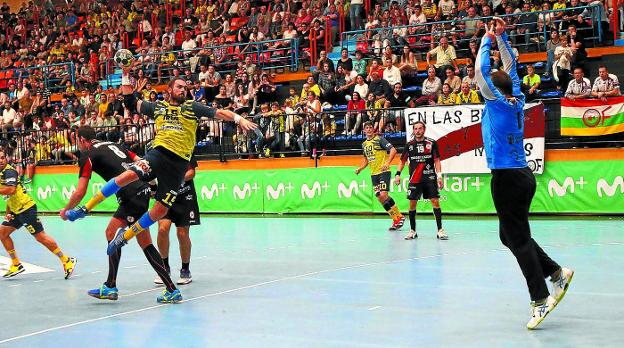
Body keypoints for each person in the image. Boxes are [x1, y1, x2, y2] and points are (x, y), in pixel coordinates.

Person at [65, 64, 257, 287]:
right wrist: (125, 73)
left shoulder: (192, 108)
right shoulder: (158, 108)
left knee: (159, 211)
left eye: (185, 87)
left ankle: (123, 239)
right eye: (179, 86)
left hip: (178, 166)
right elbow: (130, 101)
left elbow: (218, 113)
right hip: (159, 154)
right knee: (125, 177)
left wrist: (239, 119)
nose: (183, 89)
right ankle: (83, 210)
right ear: (169, 90)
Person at [475, 18, 573, 330]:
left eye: (490, 84)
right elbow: (511, 67)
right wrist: (502, 39)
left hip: (507, 179)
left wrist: (488, 38)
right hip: (520, 176)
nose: (484, 85)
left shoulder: (499, 104)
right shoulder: (514, 97)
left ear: (494, 90)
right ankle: (556, 272)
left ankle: (540, 299)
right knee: (510, 235)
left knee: (516, 240)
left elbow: (480, 71)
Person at [60, 126, 179, 303]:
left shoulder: (88, 154)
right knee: (144, 241)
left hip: (130, 193)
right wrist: (153, 186)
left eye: (77, 141)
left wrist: (66, 210)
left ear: (82, 140)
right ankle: (171, 289)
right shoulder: (116, 145)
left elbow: (80, 191)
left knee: (112, 233)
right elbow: (141, 162)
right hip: (141, 189)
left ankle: (110, 285)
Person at [1, 150, 76, 279]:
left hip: (26, 209)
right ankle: (16, 264)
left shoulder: (9, 172)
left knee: (41, 237)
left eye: (2, 157)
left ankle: (66, 260)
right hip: (16, 210)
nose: (1, 160)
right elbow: (9, 196)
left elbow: (11, 190)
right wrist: (8, 213)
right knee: (2, 233)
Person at [395, 121, 448, 240]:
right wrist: (398, 174)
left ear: (424, 130)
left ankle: (440, 230)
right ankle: (412, 231)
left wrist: (439, 176)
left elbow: (437, 160)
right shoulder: (409, 145)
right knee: (412, 204)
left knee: (435, 202)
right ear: (413, 131)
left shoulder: (431, 143)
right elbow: (402, 161)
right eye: (416, 129)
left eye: (420, 128)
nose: (418, 131)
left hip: (430, 178)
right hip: (415, 180)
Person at [155, 155, 199, 286]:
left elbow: (191, 172)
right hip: (165, 195)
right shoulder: (158, 150)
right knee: (162, 229)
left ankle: (185, 270)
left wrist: (177, 179)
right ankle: (164, 268)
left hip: (185, 196)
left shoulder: (185, 148)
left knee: (182, 233)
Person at [355, 121, 405, 230]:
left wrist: (387, 163)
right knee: (379, 198)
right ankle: (396, 219)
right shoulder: (364, 144)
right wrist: (360, 168)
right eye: (366, 128)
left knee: (383, 195)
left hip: (383, 172)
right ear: (364, 130)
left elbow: (393, 150)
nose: (369, 129)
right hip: (374, 174)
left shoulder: (379, 139)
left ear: (373, 129)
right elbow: (366, 160)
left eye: (370, 127)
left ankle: (399, 216)